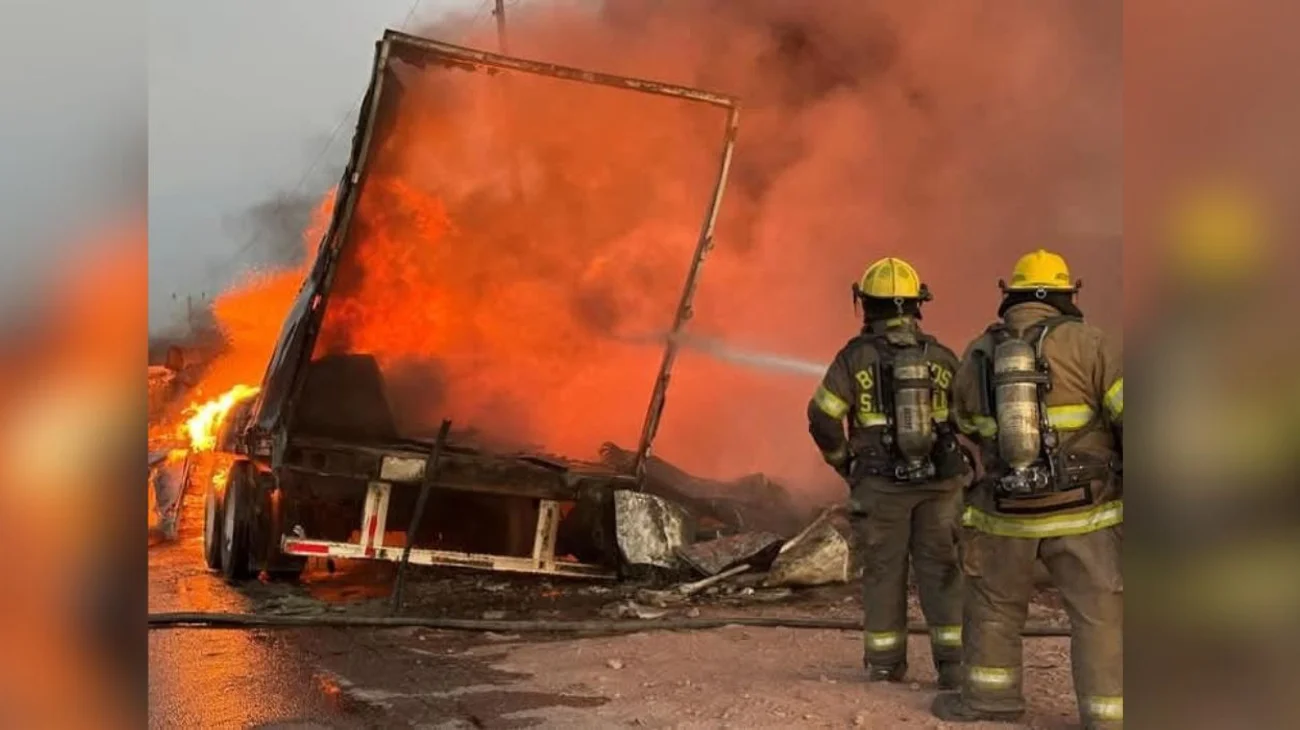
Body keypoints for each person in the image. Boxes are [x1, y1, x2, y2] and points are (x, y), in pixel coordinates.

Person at [932, 249, 1123, 728]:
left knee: (994, 609)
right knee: (1099, 617)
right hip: (1086, 513)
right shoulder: (1094, 344)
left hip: (1004, 513)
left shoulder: (980, 350)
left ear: (1010, 295)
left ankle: (989, 702)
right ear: (1066, 295)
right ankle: (1109, 716)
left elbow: (964, 425)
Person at [807, 257, 971, 689]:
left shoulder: (853, 358)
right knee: (943, 570)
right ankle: (953, 667)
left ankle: (885, 665)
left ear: (867, 304)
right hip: (940, 486)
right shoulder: (940, 355)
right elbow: (969, 417)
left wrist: (846, 463)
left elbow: (822, 418)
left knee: (884, 571)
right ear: (917, 305)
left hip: (881, 486)